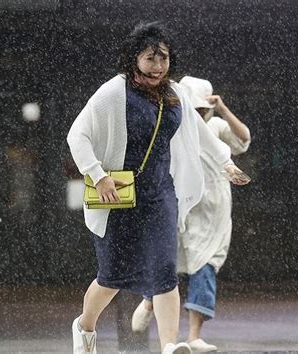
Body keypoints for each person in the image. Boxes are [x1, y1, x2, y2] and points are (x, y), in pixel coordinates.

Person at [66, 23, 250, 354]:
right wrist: (97, 175)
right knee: (112, 277)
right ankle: (84, 326)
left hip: (160, 194)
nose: (158, 66)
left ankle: (169, 346)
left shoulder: (174, 93)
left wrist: (226, 162)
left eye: (163, 58)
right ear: (133, 59)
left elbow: (200, 132)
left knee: (165, 272)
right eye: (150, 58)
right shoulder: (114, 92)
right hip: (118, 196)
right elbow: (77, 135)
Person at [131, 76, 251, 352]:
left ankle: (194, 334)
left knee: (204, 266)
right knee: (165, 257)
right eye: (194, 109)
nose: (198, 114)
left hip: (212, 210)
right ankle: (149, 300)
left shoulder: (216, 126)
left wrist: (221, 108)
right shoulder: (173, 123)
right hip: (178, 201)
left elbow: (243, 139)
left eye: (202, 110)